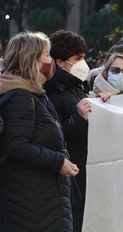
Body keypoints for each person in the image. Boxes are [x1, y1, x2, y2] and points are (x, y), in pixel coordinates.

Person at [0, 31, 79, 231]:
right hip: (31, 205)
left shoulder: (34, 96)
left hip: (41, 202)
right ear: (32, 60)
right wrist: (58, 162)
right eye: (47, 55)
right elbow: (16, 145)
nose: (51, 61)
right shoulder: (20, 97)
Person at [44, 29, 90, 232]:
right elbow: (54, 136)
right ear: (60, 62)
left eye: (84, 58)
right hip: (71, 175)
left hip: (84, 170)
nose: (83, 63)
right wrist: (78, 118)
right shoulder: (52, 92)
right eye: (77, 58)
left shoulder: (77, 87)